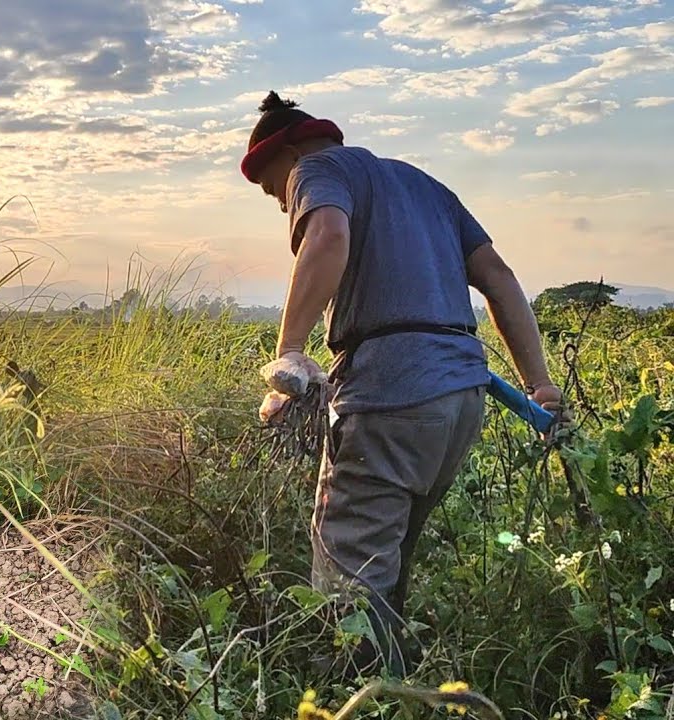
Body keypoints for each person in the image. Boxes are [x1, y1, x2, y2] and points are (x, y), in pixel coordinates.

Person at [240, 90, 565, 678]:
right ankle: (398, 674)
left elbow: (328, 238)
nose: (281, 203)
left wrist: (289, 348)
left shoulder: (319, 168)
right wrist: (538, 384)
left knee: (348, 575)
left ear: (288, 152)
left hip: (389, 396)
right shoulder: (425, 187)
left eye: (273, 190)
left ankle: (355, 696)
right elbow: (499, 276)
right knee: (387, 557)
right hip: (461, 398)